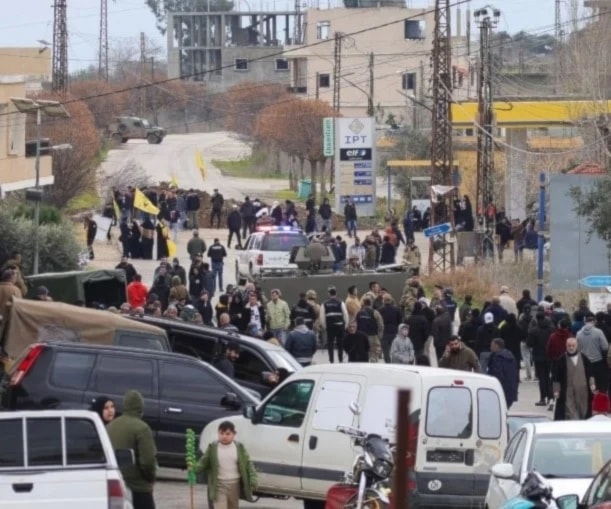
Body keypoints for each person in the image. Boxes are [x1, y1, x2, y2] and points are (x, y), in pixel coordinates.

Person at [106, 390, 157, 509]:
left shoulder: (109, 427)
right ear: (141, 407)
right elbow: (148, 461)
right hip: (138, 488)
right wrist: (151, 478)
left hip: (116, 484)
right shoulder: (142, 428)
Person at [193, 420, 257, 509]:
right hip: (219, 485)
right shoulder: (213, 448)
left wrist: (253, 478)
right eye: (221, 433)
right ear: (218, 433)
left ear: (234, 434)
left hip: (234, 485)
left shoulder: (239, 447)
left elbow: (248, 464)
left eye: (227, 434)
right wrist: (193, 468)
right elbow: (203, 463)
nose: (224, 436)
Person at [552, 337, 596, 421]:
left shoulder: (583, 358)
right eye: (569, 346)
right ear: (566, 346)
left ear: (577, 346)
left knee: (583, 410)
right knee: (570, 411)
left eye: (573, 345)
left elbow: (590, 373)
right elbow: (556, 377)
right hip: (568, 390)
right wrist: (556, 390)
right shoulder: (561, 360)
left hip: (583, 390)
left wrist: (592, 384)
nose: (571, 348)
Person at [528, 311, 556, 408]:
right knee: (549, 377)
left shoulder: (534, 330)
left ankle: (542, 398)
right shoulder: (552, 330)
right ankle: (551, 397)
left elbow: (529, 343)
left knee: (542, 378)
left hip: (538, 356)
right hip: (550, 356)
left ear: (536, 318)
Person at [577, 314, 609, 391]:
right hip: (598, 361)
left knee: (588, 384)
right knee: (599, 384)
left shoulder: (579, 333)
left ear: (585, 322)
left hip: (585, 362)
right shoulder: (598, 332)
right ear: (594, 322)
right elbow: (605, 346)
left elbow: (577, 348)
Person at [487, 338, 519, 409]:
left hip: (501, 391)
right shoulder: (510, 356)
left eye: (491, 345)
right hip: (511, 390)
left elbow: (497, 375)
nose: (490, 347)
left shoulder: (497, 359)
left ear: (496, 346)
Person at [321, 286, 349, 363]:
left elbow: (322, 316)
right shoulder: (341, 302)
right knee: (340, 343)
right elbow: (345, 314)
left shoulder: (324, 303)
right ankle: (340, 359)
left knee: (330, 343)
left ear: (329, 294)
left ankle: (331, 360)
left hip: (330, 326)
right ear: (336, 293)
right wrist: (346, 325)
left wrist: (325, 326)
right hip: (340, 326)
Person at [379, 293, 403, 363]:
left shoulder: (380, 310)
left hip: (384, 333)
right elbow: (400, 322)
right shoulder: (397, 310)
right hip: (394, 333)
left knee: (386, 352)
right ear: (391, 300)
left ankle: (388, 364)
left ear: (383, 300)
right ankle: (395, 364)